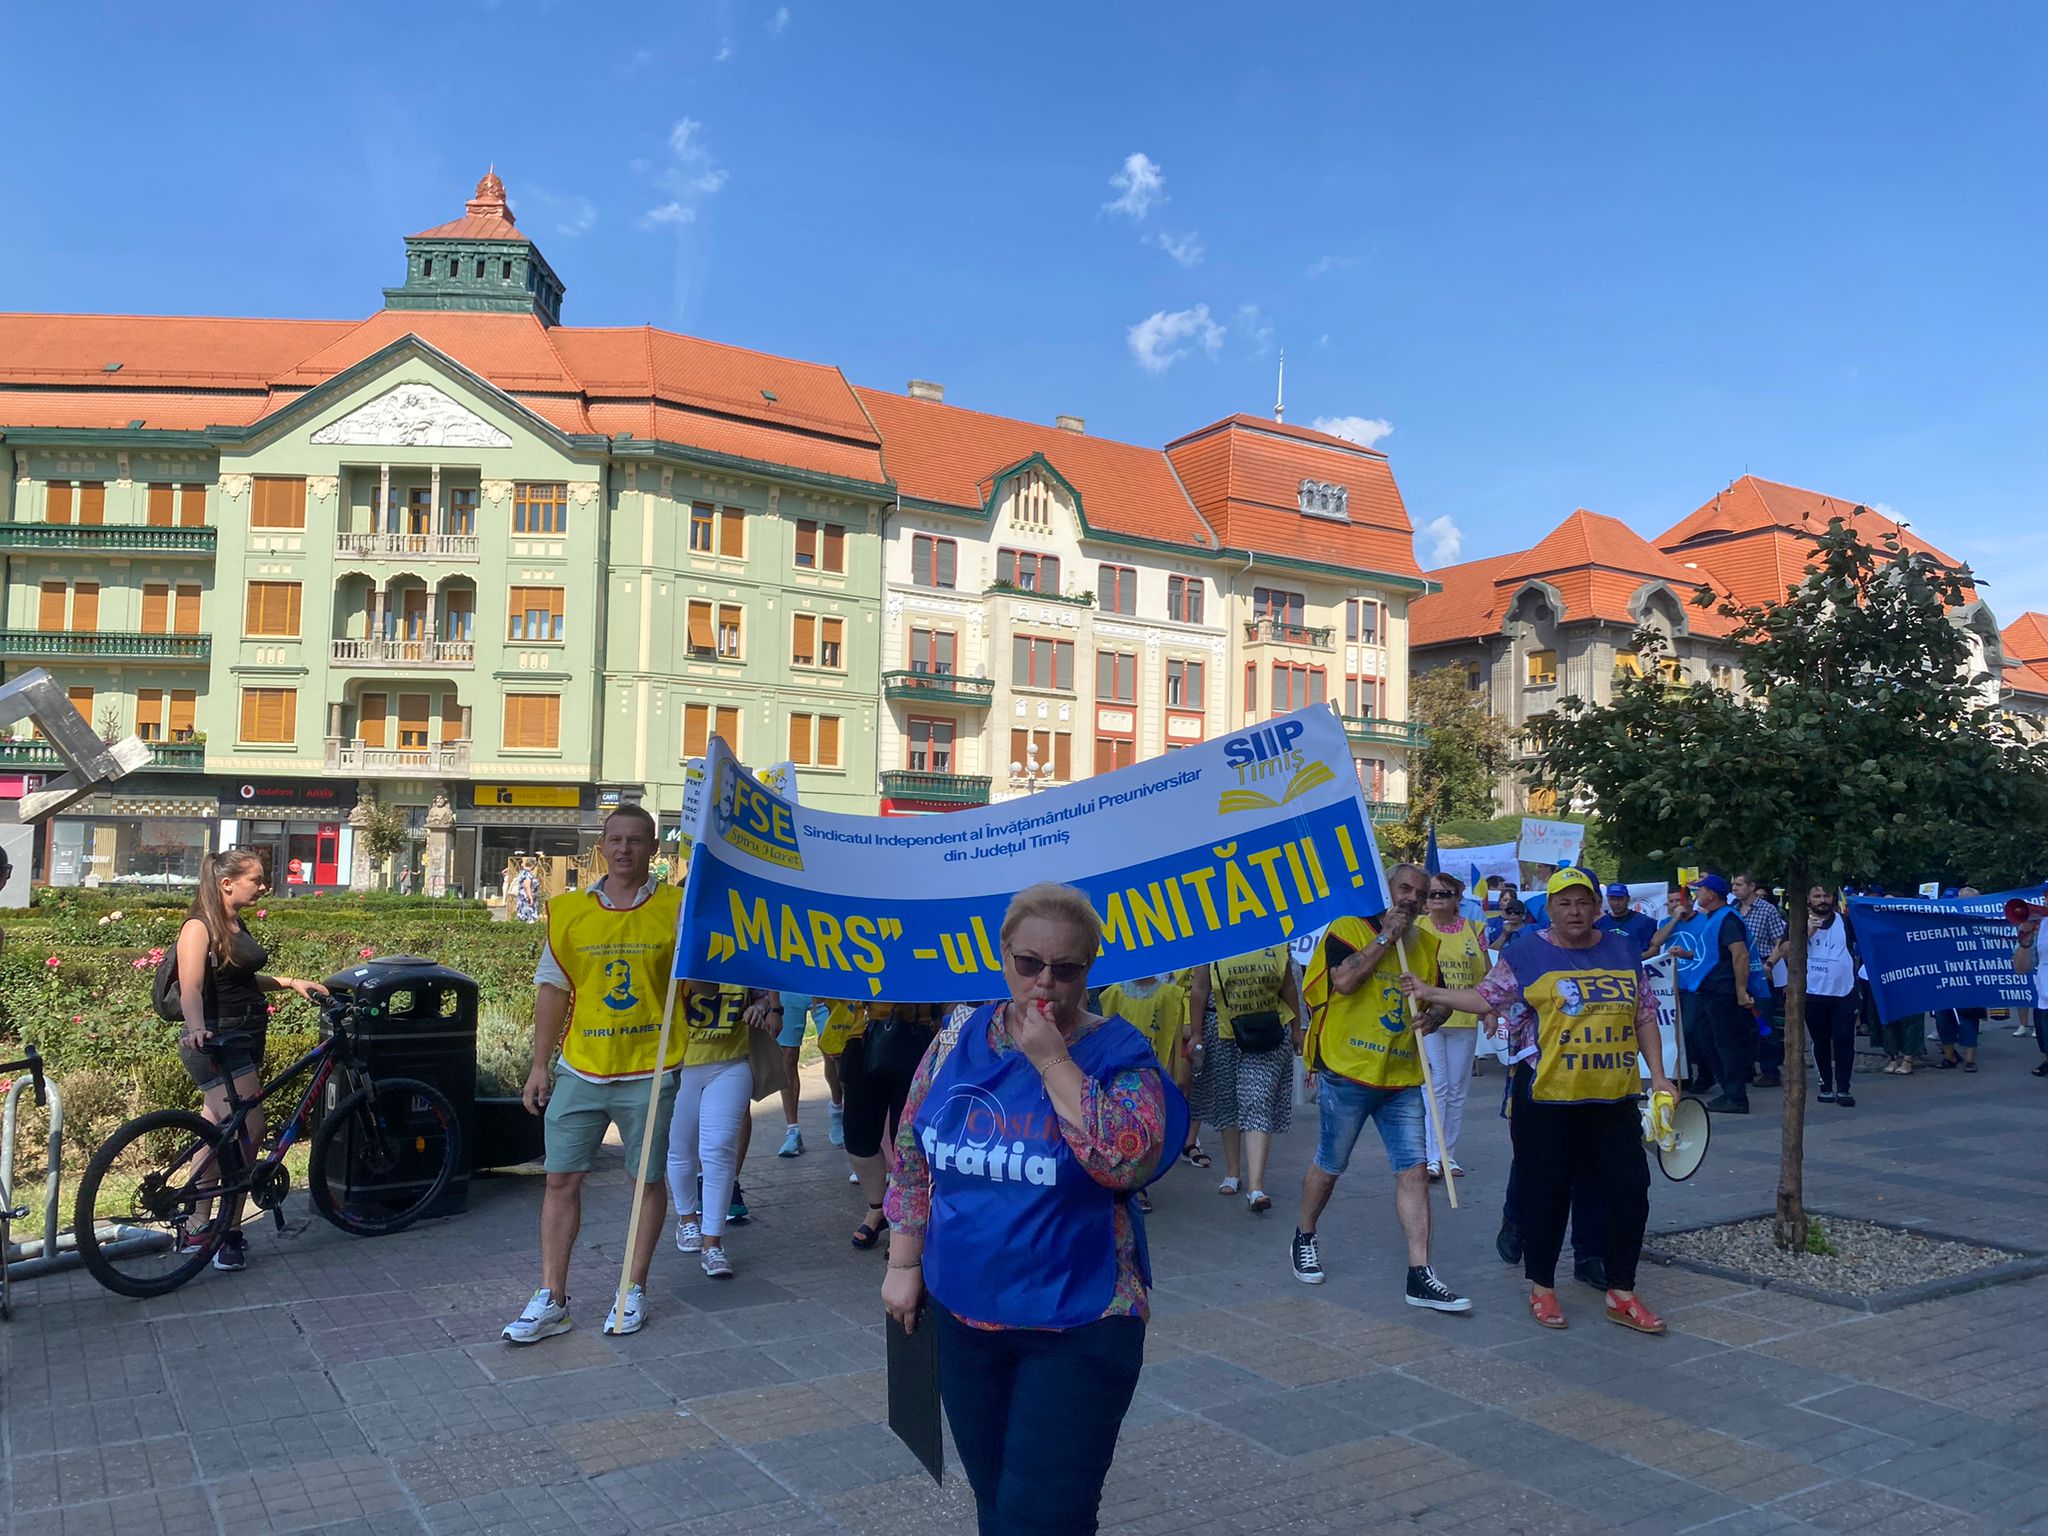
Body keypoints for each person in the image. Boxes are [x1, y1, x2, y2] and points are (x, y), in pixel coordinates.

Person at [882, 883, 1182, 1536]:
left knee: (1043, 1517)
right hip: (966, 1313)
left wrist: (1051, 1060)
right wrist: (902, 1260)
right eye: (1029, 964)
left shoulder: (1122, 1055)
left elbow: (1125, 1158)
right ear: (1003, 956)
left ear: (1089, 970)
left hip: (1079, 1321)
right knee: (997, 1504)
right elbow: (911, 1147)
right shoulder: (959, 1036)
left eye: (1067, 969)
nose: (1046, 981)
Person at [1405, 867, 1678, 1333]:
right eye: (1564, 903)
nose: (1575, 911)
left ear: (1596, 906)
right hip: (1547, 1099)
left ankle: (1621, 1292)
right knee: (1546, 1193)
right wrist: (1430, 991)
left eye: (1583, 902)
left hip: (1613, 1098)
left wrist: (1660, 1078)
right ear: (1549, 909)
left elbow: (1646, 1015)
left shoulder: (1623, 948)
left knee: (1630, 1191)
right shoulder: (1527, 950)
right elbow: (1486, 996)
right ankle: (1543, 1288)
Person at [506, 806, 681, 1343]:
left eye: (636, 840)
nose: (625, 848)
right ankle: (553, 1299)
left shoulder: (678, 909)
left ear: (654, 849)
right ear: (601, 846)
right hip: (581, 1066)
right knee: (559, 1179)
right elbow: (553, 990)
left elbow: (699, 984)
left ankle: (632, 1290)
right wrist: (540, 1065)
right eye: (616, 840)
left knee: (645, 1182)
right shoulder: (568, 911)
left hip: (651, 1068)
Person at [1293, 862, 1469, 1312]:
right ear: (1386, 887)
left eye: (1421, 893)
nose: (1412, 899)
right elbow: (1345, 982)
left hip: (1403, 1076)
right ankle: (1305, 1234)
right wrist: (1386, 936)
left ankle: (1420, 1274)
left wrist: (1434, 1016)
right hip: (1349, 1071)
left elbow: (1440, 997)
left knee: (1413, 1171)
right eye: (1405, 889)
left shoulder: (1427, 942)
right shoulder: (1349, 928)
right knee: (1330, 1165)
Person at [172, 850, 330, 1273]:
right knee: (250, 1130)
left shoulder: (232, 923)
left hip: (243, 1036)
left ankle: (196, 1222)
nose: (263, 887)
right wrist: (197, 1027)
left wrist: (291, 982)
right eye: (256, 879)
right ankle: (230, 1231)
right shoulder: (198, 926)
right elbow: (190, 986)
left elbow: (239, 978)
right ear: (228, 883)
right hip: (217, 1042)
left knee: (216, 1133)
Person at [667, 983, 775, 1277]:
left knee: (718, 1149)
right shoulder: (678, 949)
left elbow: (762, 995)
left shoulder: (739, 950)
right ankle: (687, 1220)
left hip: (731, 1063)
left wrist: (760, 1008)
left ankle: (712, 1243)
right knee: (681, 1147)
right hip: (679, 1065)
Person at [1188, 945, 1298, 1213]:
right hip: (1221, 1031)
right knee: (1228, 1101)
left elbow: (1288, 986)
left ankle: (1256, 1186)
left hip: (1267, 1029)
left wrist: (1298, 1027)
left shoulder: (1275, 940)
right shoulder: (1213, 941)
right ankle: (1233, 1171)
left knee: (1257, 1099)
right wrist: (1197, 1034)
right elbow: (1199, 990)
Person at [846, 998, 945, 1249]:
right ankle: (877, 1208)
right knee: (858, 1137)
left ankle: (905, 1224)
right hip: (865, 1037)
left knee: (907, 1142)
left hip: (919, 1036)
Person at [1095, 972, 1192, 1212]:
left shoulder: (1170, 995)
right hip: (1120, 1078)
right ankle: (1132, 1186)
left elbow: (1172, 1038)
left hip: (1151, 1077)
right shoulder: (1114, 994)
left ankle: (1139, 1184)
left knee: (1149, 1132)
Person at [1417, 873, 1488, 1180]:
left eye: (1445, 894)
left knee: (1457, 1090)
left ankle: (1449, 1154)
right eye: (1432, 894)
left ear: (1458, 898)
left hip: (1464, 1018)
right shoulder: (1417, 927)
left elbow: (1487, 974)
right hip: (1430, 1017)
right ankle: (1433, 1156)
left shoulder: (1475, 929)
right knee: (1436, 1086)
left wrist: (1490, 1010)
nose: (1437, 899)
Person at [1667, 875, 1754, 1112]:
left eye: (1699, 891)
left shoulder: (1726, 919)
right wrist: (1687, 954)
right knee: (1705, 1037)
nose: (1696, 896)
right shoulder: (1715, 918)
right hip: (1710, 988)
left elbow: (1740, 954)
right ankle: (1728, 1089)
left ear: (1712, 894)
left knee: (1725, 1042)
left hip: (1722, 990)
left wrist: (1740, 990)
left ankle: (1736, 1096)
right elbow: (1712, 954)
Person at [1769, 886, 1859, 1107]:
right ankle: (1826, 1085)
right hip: (1812, 992)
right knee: (1820, 1041)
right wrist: (1805, 934)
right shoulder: (1798, 922)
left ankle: (1844, 1088)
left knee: (1844, 1038)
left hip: (1843, 991)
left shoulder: (1845, 922)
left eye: (1826, 896)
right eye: (1817, 896)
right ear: (1808, 899)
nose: (1822, 900)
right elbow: (1784, 950)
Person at [1731, 872, 1788, 1088]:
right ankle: (1746, 1067)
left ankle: (1770, 1069)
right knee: (1741, 1022)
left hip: (1760, 968)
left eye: (1739, 884)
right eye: (1733, 885)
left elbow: (1780, 941)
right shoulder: (1733, 911)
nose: (1735, 889)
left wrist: (1770, 964)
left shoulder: (1767, 910)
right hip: (1739, 968)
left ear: (1751, 886)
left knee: (1763, 1020)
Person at [775, 991, 812, 1157]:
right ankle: (793, 1131)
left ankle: (838, 1112)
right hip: (790, 986)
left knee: (836, 1053)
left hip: (826, 981)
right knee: (788, 1055)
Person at [2013, 916, 2048, 1078]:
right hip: (2044, 996)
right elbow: (2021, 968)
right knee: (2043, 1031)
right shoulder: (2038, 927)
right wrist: (2025, 941)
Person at [1596, 883, 1657, 956]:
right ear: (1608, 900)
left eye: (1620, 899)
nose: (1616, 903)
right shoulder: (1600, 924)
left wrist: (1634, 960)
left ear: (1628, 899)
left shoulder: (1645, 922)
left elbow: (1655, 947)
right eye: (1612, 899)